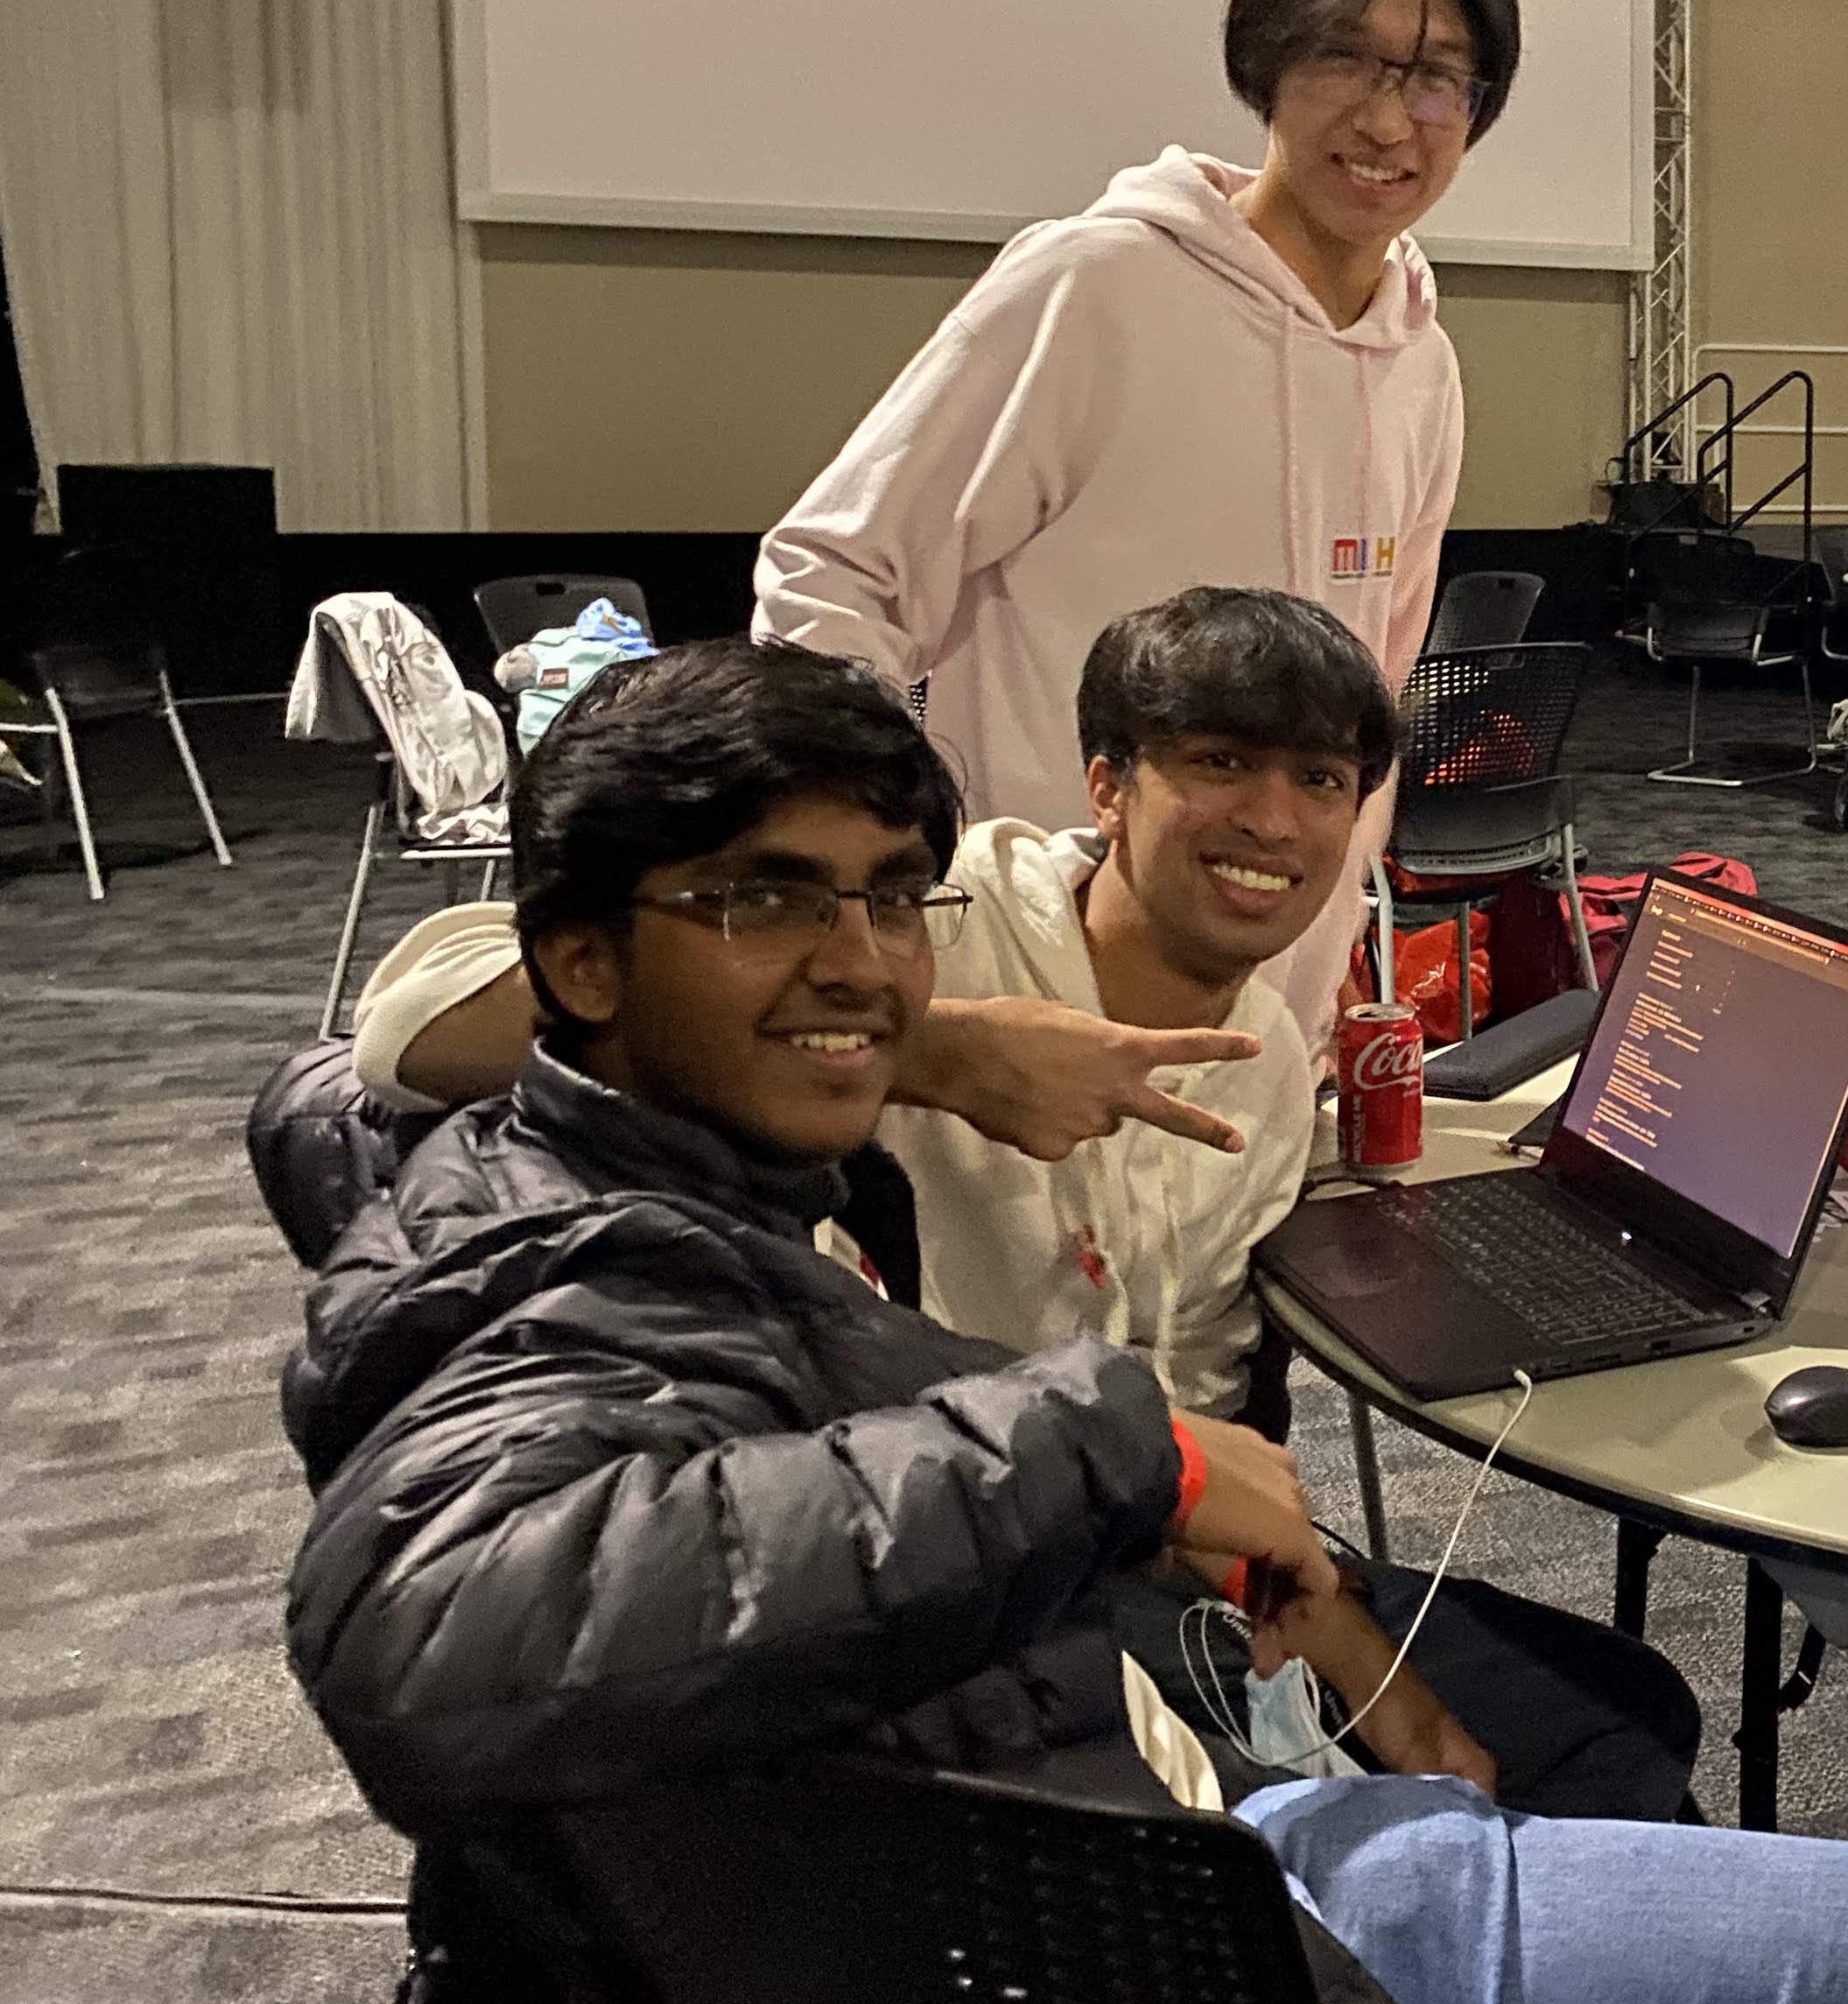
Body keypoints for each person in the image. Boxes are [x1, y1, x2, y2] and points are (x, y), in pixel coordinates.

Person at [282, 639, 1848, 2004]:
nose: (855, 958)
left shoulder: (797, 1202)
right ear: (582, 959)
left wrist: (1315, 1627)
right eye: (764, 904)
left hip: (1139, 1808)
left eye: (881, 903)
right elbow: (431, 1638)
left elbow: (1205, 1448)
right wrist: (969, 1100)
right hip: (1092, 1972)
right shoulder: (562, 1257)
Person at [345, 591, 1701, 1820]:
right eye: (1219, 764)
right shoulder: (947, 927)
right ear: (1106, 786)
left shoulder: (1271, 1063)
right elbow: (400, 1030)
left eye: (1321, 779)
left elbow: (1202, 1401)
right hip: (957, 1600)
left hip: (1161, 1554)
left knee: (1626, 1718)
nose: (1276, 822)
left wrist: (1337, 1635)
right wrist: (940, 1048)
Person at [755, 0, 1516, 1056]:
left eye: (1432, 77)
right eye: (1343, 58)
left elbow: (1374, 702)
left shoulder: (1426, 366)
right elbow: (831, 578)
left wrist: (1323, 984)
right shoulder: (1098, 287)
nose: (1384, 119)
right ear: (1264, 62)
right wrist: (901, 878)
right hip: (1028, 999)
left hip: (1269, 1027)